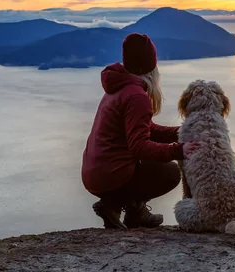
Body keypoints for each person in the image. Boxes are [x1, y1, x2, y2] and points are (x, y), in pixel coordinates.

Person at [81, 33, 198, 229]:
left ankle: (125, 209)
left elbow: (146, 130)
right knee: (169, 173)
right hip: (110, 175)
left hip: (95, 173)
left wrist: (182, 131)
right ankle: (120, 207)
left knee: (152, 161)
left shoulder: (119, 87)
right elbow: (140, 146)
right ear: (150, 66)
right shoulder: (137, 96)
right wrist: (179, 150)